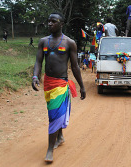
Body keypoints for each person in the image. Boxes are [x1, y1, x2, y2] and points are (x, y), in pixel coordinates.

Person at [32, 11, 86, 163]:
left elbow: (75, 67)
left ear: (61, 24)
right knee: (54, 113)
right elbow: (38, 62)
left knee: (54, 116)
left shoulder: (70, 43)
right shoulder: (43, 42)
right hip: (48, 84)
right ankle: (60, 136)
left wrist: (82, 86)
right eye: (48, 21)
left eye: (53, 21)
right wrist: (35, 76)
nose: (50, 24)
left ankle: (49, 150)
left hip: (61, 85)